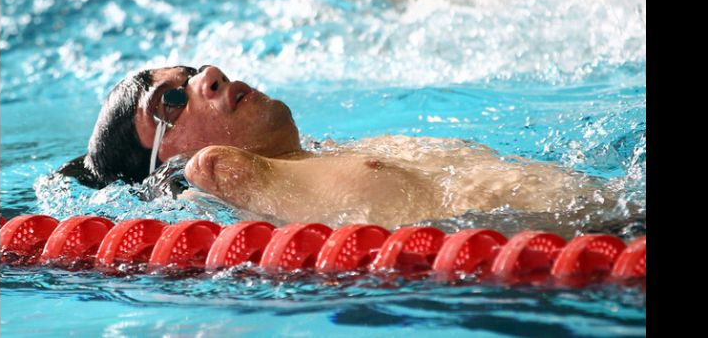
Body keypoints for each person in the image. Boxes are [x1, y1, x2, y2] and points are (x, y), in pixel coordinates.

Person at [58, 65, 640, 233]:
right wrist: (181, 182)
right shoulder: (223, 174)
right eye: (170, 103)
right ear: (169, 164)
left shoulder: (342, 153)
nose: (208, 76)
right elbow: (207, 171)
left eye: (189, 72)